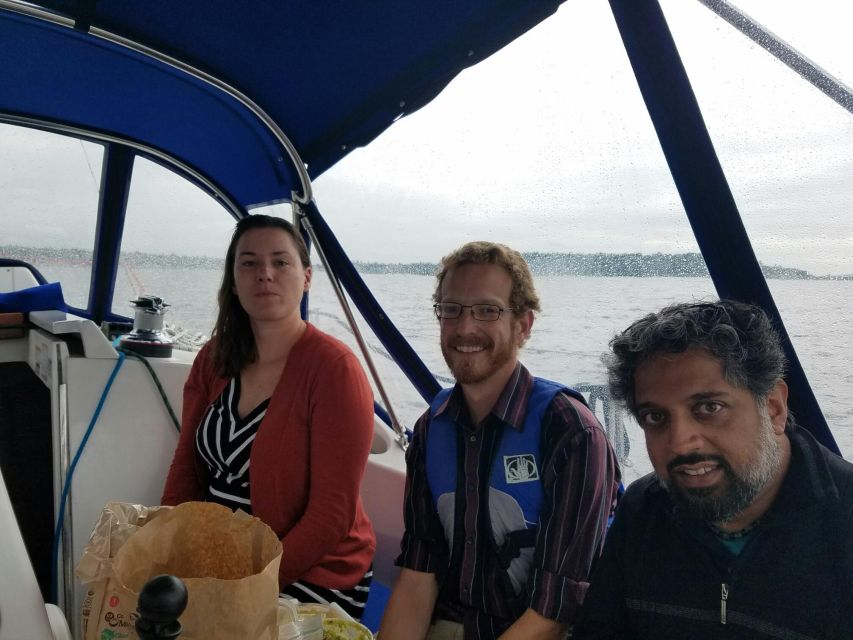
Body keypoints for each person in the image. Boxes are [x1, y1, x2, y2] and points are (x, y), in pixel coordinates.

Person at [379, 241, 620, 640]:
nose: (465, 327)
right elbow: (420, 573)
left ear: (523, 324)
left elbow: (555, 610)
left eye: (487, 311)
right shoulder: (430, 430)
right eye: (451, 309)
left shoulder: (572, 433)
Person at [574, 300, 853, 639]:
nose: (680, 443)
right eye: (655, 417)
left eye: (709, 407)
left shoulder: (843, 522)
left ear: (774, 408)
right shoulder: (644, 509)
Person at [162, 214, 376, 619]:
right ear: (234, 278)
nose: (265, 274)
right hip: (223, 557)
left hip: (312, 571)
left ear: (307, 277)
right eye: (249, 263)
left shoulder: (334, 370)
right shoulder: (213, 358)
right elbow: (185, 467)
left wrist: (244, 587)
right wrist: (172, 543)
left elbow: (331, 516)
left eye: (280, 262)